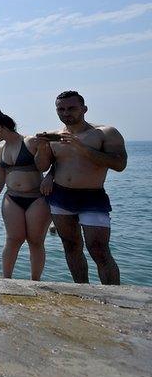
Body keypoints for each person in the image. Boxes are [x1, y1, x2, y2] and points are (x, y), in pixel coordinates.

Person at [37, 90, 127, 285]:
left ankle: (115, 296)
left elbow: (119, 164)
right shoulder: (55, 136)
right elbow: (43, 165)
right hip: (60, 195)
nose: (66, 113)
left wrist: (81, 147)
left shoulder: (105, 133)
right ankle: (82, 290)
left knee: (99, 250)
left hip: (92, 196)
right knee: (70, 246)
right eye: (61, 109)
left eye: (71, 108)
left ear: (84, 109)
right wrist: (43, 150)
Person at [0, 108, 50, 280]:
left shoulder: (30, 142)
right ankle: (7, 279)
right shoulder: (0, 149)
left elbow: (49, 164)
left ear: (0, 128)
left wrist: (43, 150)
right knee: (13, 239)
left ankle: (35, 281)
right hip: (12, 197)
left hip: (36, 197)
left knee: (35, 241)